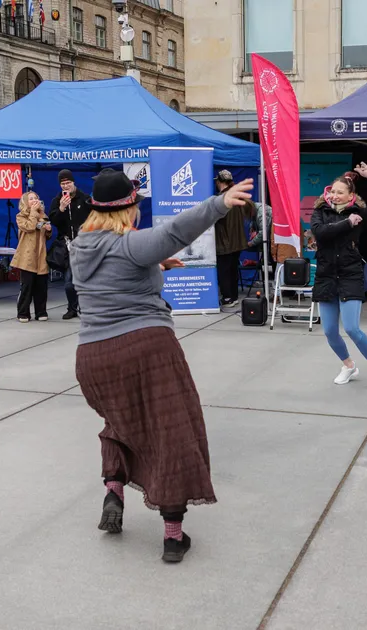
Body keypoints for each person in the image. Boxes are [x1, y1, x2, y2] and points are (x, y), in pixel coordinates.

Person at [69, 168, 253, 563]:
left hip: (92, 359)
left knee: (120, 423)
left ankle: (114, 490)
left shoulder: (81, 245)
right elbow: (172, 232)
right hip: (145, 349)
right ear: (128, 209)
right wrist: (218, 204)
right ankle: (173, 536)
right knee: (172, 431)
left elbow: (118, 275)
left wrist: (157, 267)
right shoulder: (130, 243)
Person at [311, 164, 367, 392]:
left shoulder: (359, 213)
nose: (334, 195)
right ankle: (348, 365)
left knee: (352, 328)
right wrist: (347, 223)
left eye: (340, 192)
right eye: (332, 192)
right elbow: (320, 233)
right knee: (329, 330)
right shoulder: (320, 212)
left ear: (350, 196)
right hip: (326, 275)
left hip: (350, 274)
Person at [50, 169, 92, 320]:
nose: (66, 186)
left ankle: (85, 307)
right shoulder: (57, 201)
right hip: (67, 247)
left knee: (85, 279)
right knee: (69, 282)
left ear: (74, 182)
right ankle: (72, 308)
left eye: (68, 183)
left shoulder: (85, 199)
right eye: (63, 183)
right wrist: (61, 209)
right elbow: (53, 221)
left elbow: (92, 219)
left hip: (84, 245)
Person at [214, 170, 256, 308]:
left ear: (219, 182)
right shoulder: (237, 197)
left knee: (224, 271)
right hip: (237, 241)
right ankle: (233, 296)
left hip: (225, 242)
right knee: (232, 269)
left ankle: (227, 298)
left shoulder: (222, 199)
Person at [14, 191, 51, 322]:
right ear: (25, 202)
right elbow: (29, 227)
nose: (34, 200)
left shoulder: (43, 215)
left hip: (40, 255)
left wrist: (48, 229)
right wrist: (34, 212)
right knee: (27, 285)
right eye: (31, 199)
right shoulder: (21, 216)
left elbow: (47, 235)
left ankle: (41, 311)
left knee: (41, 286)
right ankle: (23, 312)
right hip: (27, 256)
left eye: (36, 198)